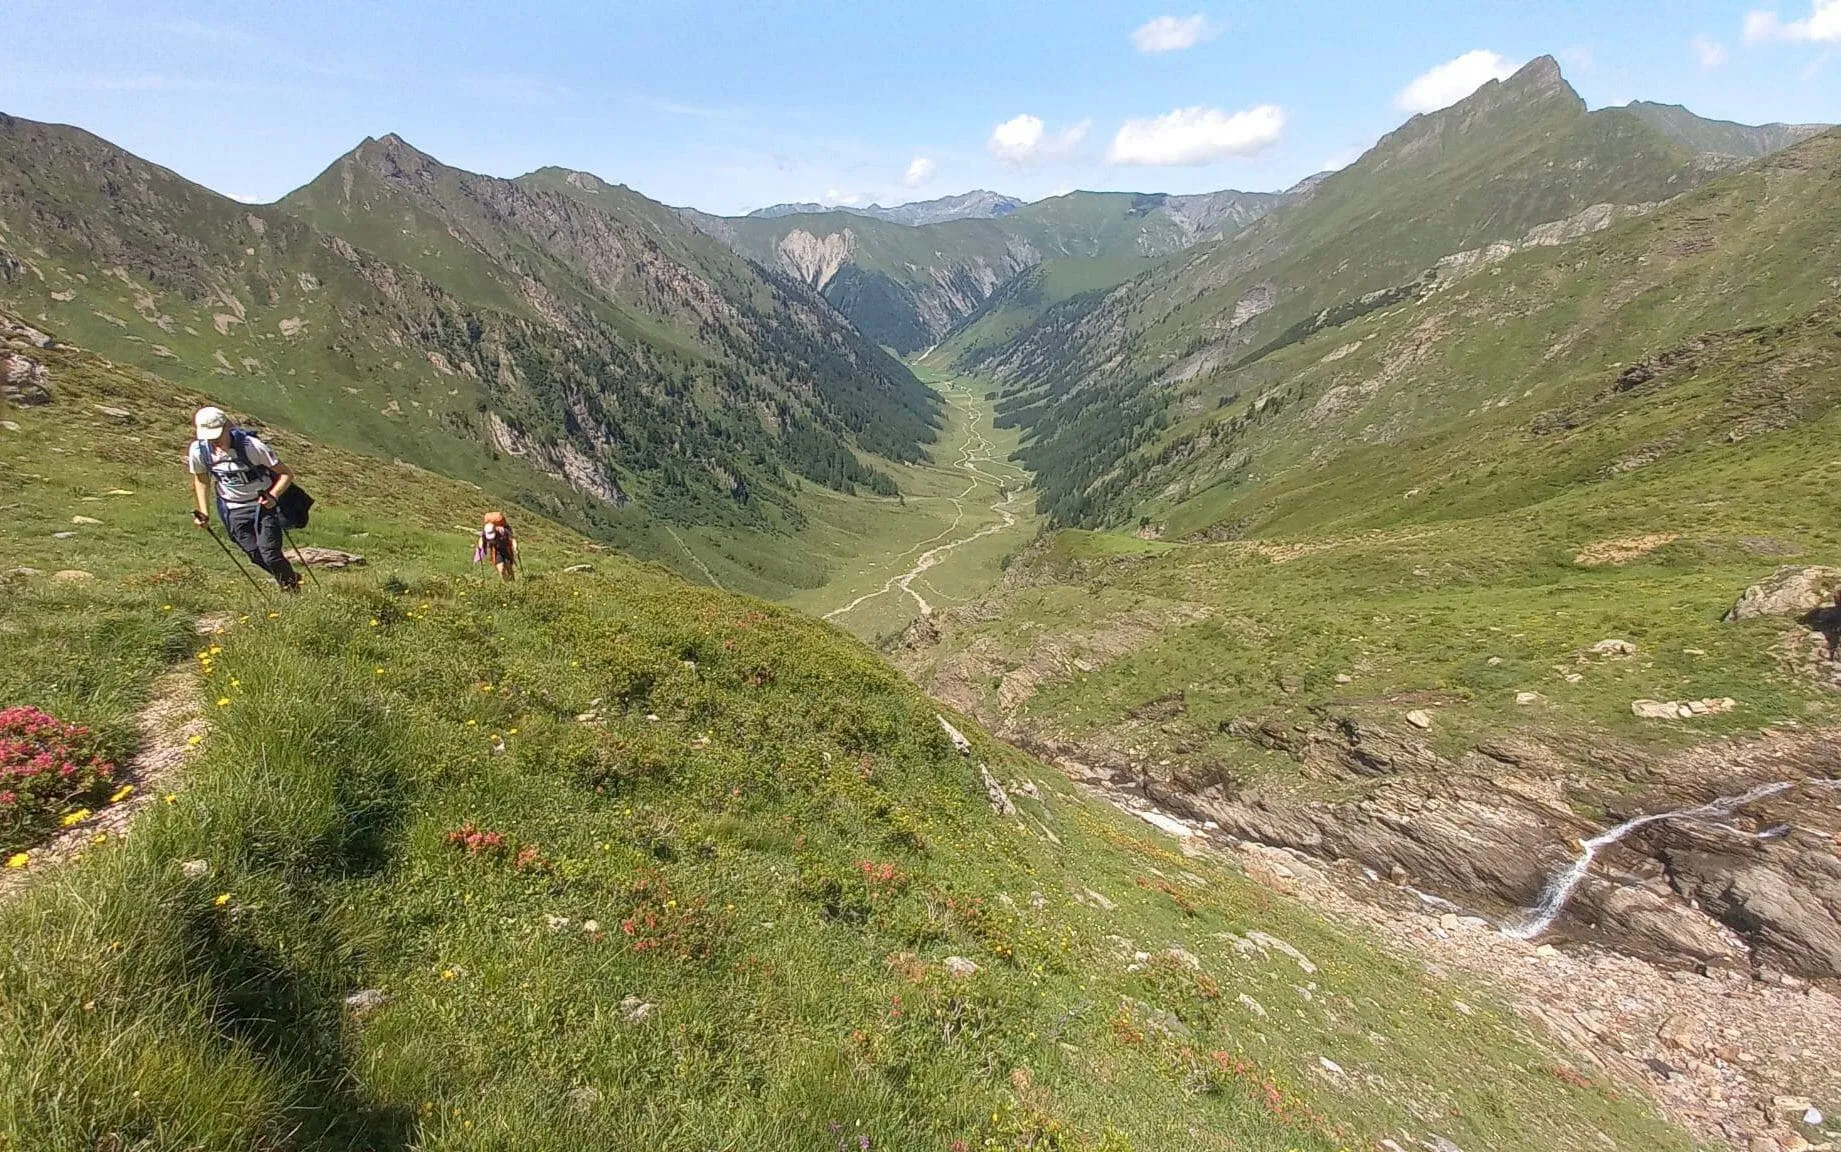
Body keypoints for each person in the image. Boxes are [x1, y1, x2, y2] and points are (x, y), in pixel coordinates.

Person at [187, 405, 301, 592]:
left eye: (217, 435)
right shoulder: (199, 451)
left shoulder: (252, 446)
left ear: (227, 427)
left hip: (262, 506)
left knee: (270, 554)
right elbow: (201, 479)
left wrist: (273, 496)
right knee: (254, 555)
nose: (214, 441)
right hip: (232, 508)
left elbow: (286, 474)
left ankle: (291, 588)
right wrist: (204, 511)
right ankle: (290, 577)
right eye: (209, 437)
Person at [475, 511, 517, 581]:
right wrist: (480, 547)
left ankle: (512, 582)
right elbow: (481, 539)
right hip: (496, 552)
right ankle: (506, 583)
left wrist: (515, 548)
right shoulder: (486, 532)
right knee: (501, 569)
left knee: (509, 567)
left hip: (506, 550)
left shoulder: (503, 531)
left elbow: (512, 539)